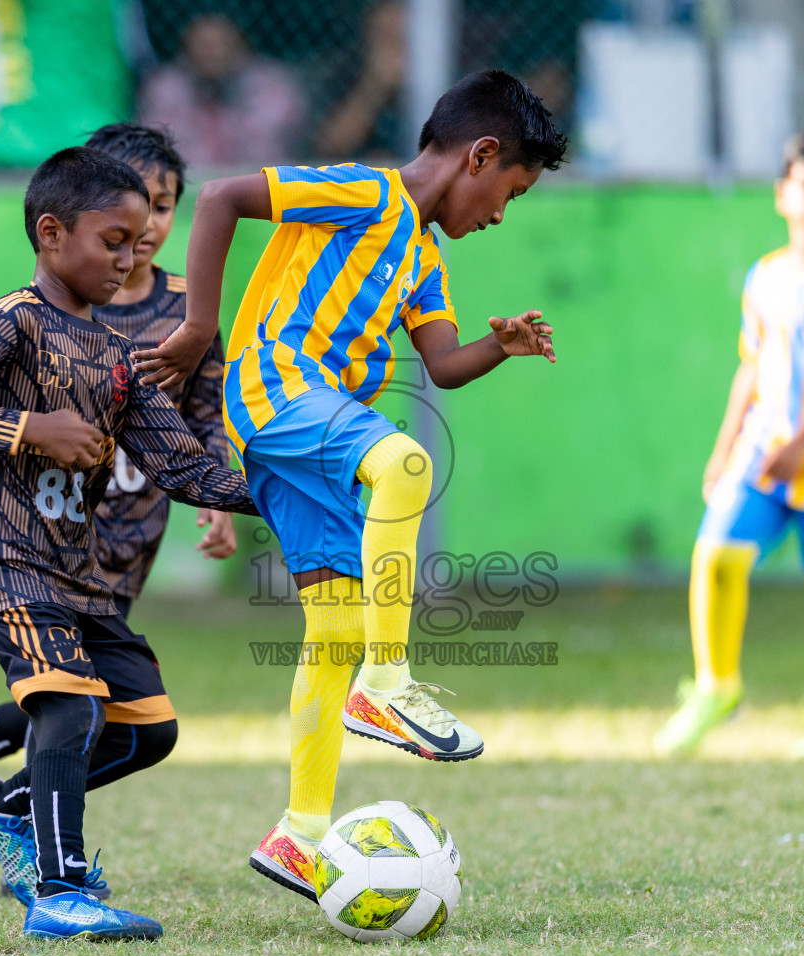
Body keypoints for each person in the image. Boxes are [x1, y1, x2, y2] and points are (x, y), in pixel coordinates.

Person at [135, 69, 567, 902]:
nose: (501, 215)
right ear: (479, 155)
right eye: (508, 192)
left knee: (331, 631)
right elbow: (223, 197)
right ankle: (389, 685)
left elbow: (441, 364)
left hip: (309, 438)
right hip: (276, 391)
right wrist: (198, 326)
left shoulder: (427, 260)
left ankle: (297, 835)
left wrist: (496, 345)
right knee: (406, 462)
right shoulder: (361, 192)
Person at [0, 125, 236, 902]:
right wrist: (9, 438)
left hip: (94, 557)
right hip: (7, 555)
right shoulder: (17, 317)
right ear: (55, 231)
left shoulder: (149, 344)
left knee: (134, 722)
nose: (134, 250)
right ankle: (59, 887)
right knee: (65, 700)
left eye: (152, 222)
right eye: (117, 235)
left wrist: (306, 485)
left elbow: (190, 452)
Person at [654, 129, 804, 761]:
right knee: (717, 553)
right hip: (762, 454)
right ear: (784, 194)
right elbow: (752, 366)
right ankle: (716, 687)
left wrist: (802, 441)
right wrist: (725, 444)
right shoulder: (764, 277)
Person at [138, 14, 301, 168]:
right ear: (185, 50)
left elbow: (271, 143)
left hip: (255, 176)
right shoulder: (166, 87)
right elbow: (157, 143)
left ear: (241, 47)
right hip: (190, 178)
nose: (211, 53)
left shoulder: (270, 84)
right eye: (202, 45)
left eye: (220, 44)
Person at [312, 1, 407, 162]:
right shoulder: (342, 75)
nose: (394, 52)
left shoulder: (447, 77)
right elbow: (328, 147)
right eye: (386, 39)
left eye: (402, 41)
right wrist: (375, 86)